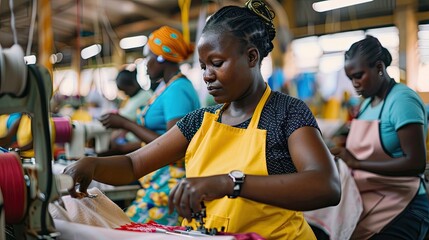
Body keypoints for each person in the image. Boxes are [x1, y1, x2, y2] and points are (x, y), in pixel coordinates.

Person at [63, 1, 340, 238]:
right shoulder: (199, 121)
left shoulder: (286, 112)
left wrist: (229, 183)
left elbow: (326, 186)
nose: (207, 75)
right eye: (204, 66)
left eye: (217, 63)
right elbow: (134, 163)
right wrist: (92, 165)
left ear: (252, 57)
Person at [329, 35, 429, 239]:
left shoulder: (402, 100)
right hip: (372, 197)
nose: (355, 84)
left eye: (359, 76)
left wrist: (357, 163)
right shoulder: (367, 103)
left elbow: (416, 163)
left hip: (405, 202)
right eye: (351, 79)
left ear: (380, 68)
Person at [99, 25, 199, 225]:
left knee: (132, 228)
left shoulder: (178, 89)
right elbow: (160, 137)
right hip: (159, 173)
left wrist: (126, 124)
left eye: (148, 57)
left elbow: (173, 145)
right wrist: (124, 148)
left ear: (162, 58)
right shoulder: (167, 87)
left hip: (171, 179)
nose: (144, 64)